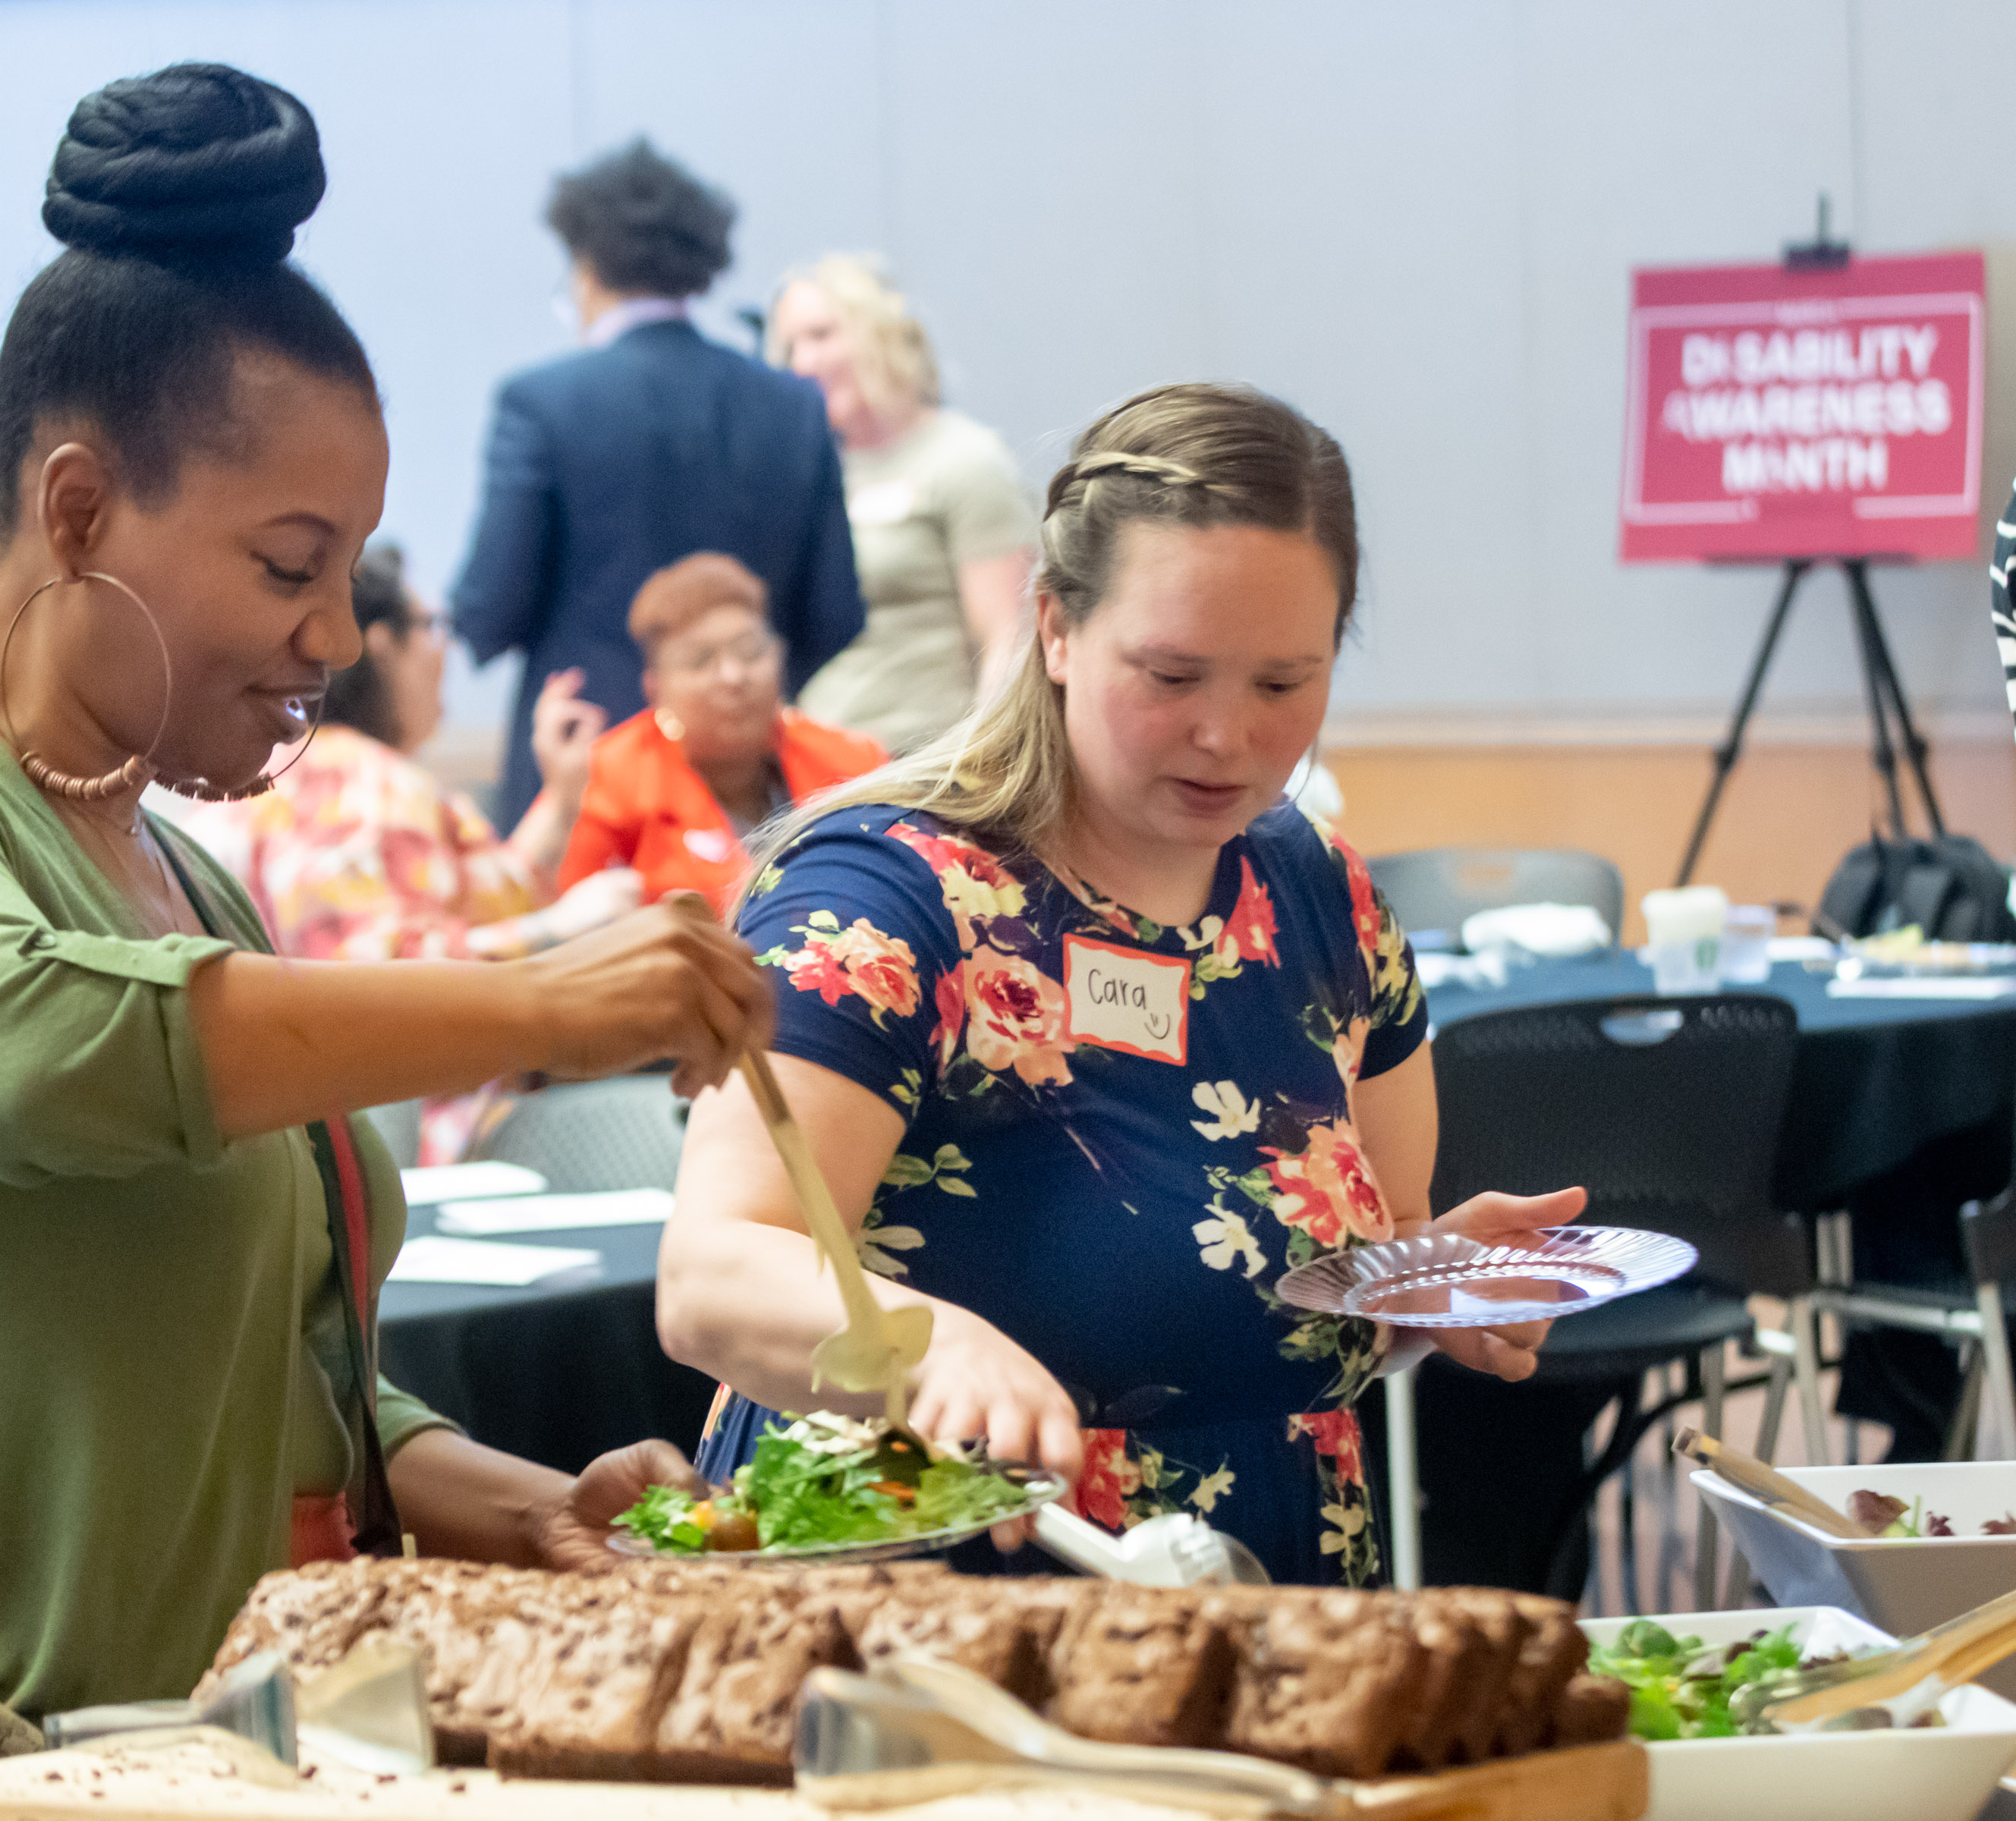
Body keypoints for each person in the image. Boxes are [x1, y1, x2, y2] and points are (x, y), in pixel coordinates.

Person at [0, 64, 772, 1719]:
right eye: (288, 567)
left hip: (238, 1735)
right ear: (75, 510)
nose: (335, 639)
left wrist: (509, 1497)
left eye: (351, 576)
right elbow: (32, 1050)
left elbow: (271, 1359)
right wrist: (545, 997)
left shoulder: (189, 875)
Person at [654, 383, 1581, 1588]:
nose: (1227, 738)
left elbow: (1345, 1276)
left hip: (1269, 1576)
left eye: (1282, 683)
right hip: (932, 1591)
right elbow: (712, 1273)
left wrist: (1435, 1283)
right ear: (1054, 628)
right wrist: (930, 1346)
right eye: (1173, 676)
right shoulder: (885, 901)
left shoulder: (1320, 895)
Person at [449, 139, 866, 827]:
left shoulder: (541, 402)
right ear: (701, 268)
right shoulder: (792, 405)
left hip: (589, 772)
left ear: (585, 267)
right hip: (752, 785)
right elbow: (835, 613)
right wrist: (739, 688)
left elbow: (491, 605)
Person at [158, 543, 639, 964]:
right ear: (383, 645)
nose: (444, 650)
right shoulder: (355, 784)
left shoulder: (297, 776)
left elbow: (464, 897)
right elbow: (382, 973)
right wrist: (570, 927)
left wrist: (560, 796)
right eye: (431, 625)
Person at [769, 254, 1039, 756]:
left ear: (882, 335)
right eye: (791, 347)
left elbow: (1009, 637)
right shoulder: (802, 474)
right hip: (813, 774)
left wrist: (978, 766)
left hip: (924, 770)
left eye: (823, 335)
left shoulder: (964, 460)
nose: (804, 363)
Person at [561, 553, 888, 916]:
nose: (733, 677)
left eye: (751, 652)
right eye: (700, 662)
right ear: (655, 689)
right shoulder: (607, 778)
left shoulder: (855, 764)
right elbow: (569, 927)